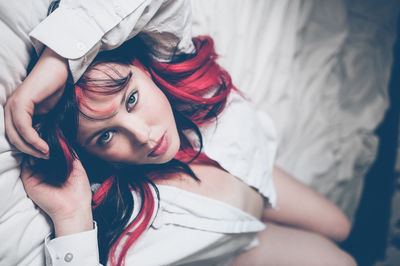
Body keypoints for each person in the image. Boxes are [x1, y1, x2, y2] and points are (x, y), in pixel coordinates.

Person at [4, 1, 357, 266]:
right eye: (105, 137)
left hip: (254, 171)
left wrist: (60, 60)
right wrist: (72, 217)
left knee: (341, 227)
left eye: (132, 99)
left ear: (143, 68)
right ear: (90, 156)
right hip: (234, 246)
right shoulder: (132, 224)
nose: (142, 135)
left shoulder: (178, 73)